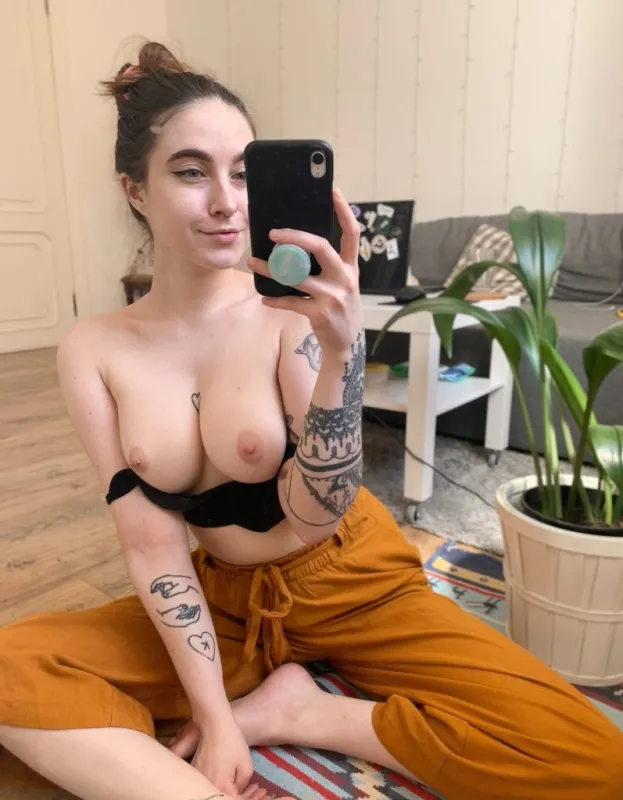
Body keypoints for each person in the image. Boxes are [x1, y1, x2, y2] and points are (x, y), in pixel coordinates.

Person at [0, 41, 621, 800]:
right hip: (224, 603)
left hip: (350, 578)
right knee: (11, 670)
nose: (227, 202)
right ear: (135, 189)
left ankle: (309, 714)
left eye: (243, 172)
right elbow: (152, 545)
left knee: (592, 760)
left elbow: (316, 514)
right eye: (191, 172)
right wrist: (215, 719)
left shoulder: (286, 319)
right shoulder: (93, 349)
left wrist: (339, 355)